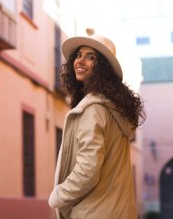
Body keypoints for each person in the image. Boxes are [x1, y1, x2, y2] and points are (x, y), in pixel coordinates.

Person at [48, 34, 145, 219]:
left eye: (91, 57)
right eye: (79, 55)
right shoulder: (113, 109)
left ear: (103, 68)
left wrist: (57, 196)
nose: (81, 61)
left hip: (92, 213)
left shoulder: (93, 110)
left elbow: (88, 169)